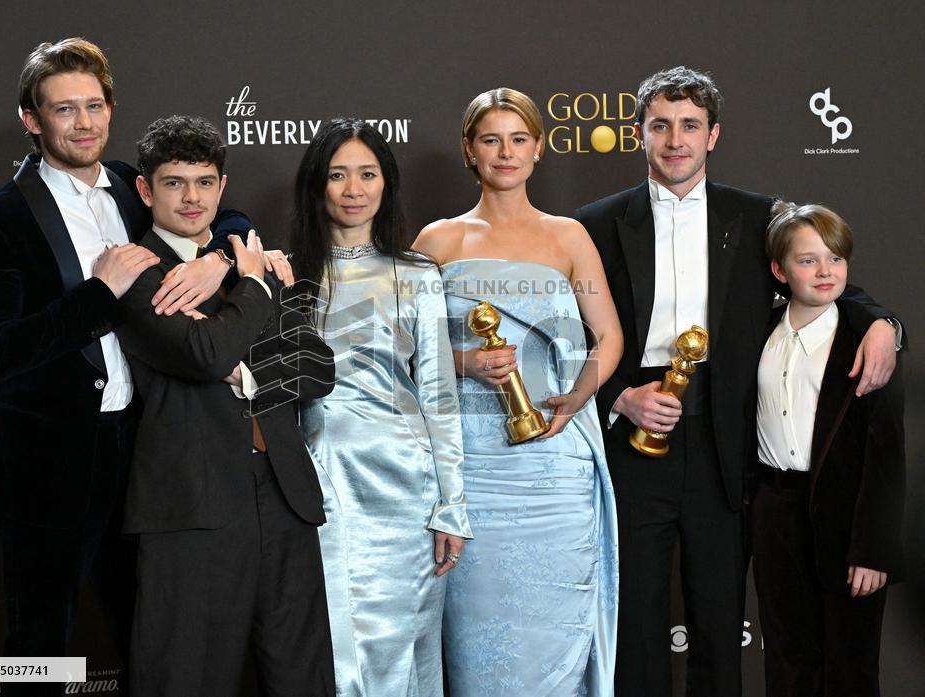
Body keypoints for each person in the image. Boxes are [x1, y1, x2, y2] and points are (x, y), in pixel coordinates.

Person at [574, 66, 901, 697]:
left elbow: (820, 276)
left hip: (728, 445)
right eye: (661, 126)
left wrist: (883, 320)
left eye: (690, 126)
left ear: (713, 135)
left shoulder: (755, 217)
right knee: (635, 619)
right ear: (638, 133)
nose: (676, 141)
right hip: (631, 440)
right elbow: (565, 331)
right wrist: (618, 397)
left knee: (721, 622)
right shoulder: (593, 223)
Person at [0, 38, 250, 696]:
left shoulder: (129, 183)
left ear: (112, 109)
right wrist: (98, 293)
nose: (84, 121)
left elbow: (222, 208)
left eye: (95, 105)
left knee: (147, 637)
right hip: (46, 467)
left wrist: (220, 259)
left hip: (143, 453)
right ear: (32, 121)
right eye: (65, 109)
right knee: (39, 649)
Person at [115, 115, 336, 697]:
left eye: (205, 182)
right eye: (174, 183)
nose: (192, 198)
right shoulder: (135, 271)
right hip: (193, 501)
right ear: (145, 190)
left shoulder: (243, 261)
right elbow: (207, 354)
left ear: (222, 185)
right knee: (188, 677)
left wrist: (244, 332)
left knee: (301, 677)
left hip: (285, 494)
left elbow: (314, 371)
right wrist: (257, 293)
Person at [414, 88, 622, 697]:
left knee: (555, 637)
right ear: (469, 152)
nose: (505, 153)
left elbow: (608, 337)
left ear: (538, 149)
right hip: (471, 470)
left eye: (518, 139)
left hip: (555, 467)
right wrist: (464, 361)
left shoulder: (569, 238)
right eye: (490, 139)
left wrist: (578, 397)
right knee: (481, 650)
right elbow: (405, 352)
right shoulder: (436, 242)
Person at [288, 117, 471, 697]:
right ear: (318, 185)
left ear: (386, 184)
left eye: (367, 174)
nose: (353, 189)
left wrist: (453, 505)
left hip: (404, 489)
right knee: (337, 649)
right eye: (338, 175)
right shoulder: (284, 274)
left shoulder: (417, 275)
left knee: (400, 649)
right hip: (317, 486)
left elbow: (440, 394)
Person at [752, 201, 904, 697]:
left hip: (845, 521)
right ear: (779, 269)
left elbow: (885, 457)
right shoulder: (758, 334)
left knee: (850, 667)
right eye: (808, 259)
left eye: (835, 259)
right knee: (787, 662)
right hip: (775, 514)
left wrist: (872, 550)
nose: (825, 271)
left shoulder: (869, 340)